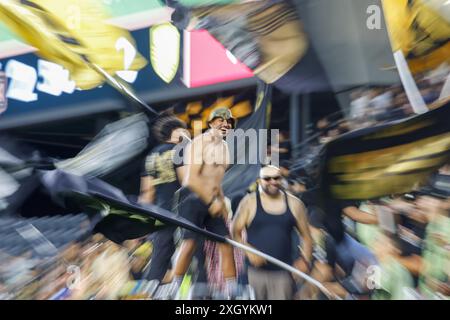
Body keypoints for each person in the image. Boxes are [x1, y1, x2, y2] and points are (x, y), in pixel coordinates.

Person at [170, 107, 237, 297]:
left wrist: (222, 203)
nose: (225, 124)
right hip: (192, 199)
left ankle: (232, 291)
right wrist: (211, 201)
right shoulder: (199, 142)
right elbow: (190, 179)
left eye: (228, 122)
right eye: (220, 121)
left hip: (213, 202)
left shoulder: (223, 147)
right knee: (189, 244)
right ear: (210, 123)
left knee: (225, 243)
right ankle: (174, 288)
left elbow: (216, 181)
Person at [231, 165, 313, 300]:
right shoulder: (249, 202)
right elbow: (235, 232)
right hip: (254, 273)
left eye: (276, 178)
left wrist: (305, 260)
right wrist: (249, 251)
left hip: (283, 274)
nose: (273, 182)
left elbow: (307, 237)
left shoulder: (295, 204)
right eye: (267, 179)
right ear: (259, 181)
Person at [139, 116, 190, 285]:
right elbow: (186, 182)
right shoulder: (180, 150)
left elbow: (147, 193)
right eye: (183, 129)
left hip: (161, 212)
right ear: (174, 133)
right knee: (190, 251)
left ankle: (153, 288)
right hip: (182, 210)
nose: (187, 132)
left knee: (160, 255)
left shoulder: (150, 157)